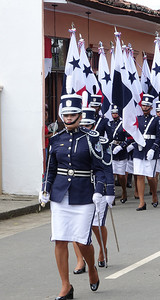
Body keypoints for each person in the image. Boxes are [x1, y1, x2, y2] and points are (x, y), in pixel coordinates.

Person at [39, 93, 106, 299]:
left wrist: (99, 191)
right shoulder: (56, 139)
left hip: (84, 195)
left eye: (73, 114)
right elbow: (50, 168)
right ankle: (66, 286)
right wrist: (45, 189)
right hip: (61, 196)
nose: (69, 118)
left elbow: (101, 169)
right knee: (60, 240)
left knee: (82, 240)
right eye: (66, 115)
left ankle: (92, 268)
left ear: (79, 115)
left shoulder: (91, 138)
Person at [80, 107, 115, 268]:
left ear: (94, 126)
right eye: (82, 125)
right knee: (78, 225)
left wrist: (110, 191)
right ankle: (81, 260)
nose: (85, 128)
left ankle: (102, 249)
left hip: (98, 187)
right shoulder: (74, 141)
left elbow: (107, 166)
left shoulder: (103, 142)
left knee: (96, 224)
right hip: (79, 187)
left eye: (88, 125)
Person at [133, 94, 160, 210]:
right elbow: (133, 133)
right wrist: (135, 144)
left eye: (147, 106)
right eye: (143, 106)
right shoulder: (137, 119)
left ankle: (154, 194)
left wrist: (153, 148)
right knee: (139, 175)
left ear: (151, 108)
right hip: (139, 150)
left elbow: (159, 136)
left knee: (150, 177)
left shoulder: (155, 120)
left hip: (150, 149)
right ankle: (142, 202)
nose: (145, 108)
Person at [109, 104, 129, 204]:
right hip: (112, 150)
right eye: (113, 113)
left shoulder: (123, 124)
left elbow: (129, 138)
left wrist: (122, 146)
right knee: (112, 175)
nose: (114, 115)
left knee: (121, 176)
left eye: (116, 113)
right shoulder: (109, 123)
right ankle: (112, 195)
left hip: (121, 151)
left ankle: (124, 191)